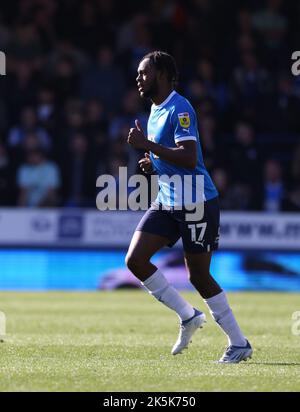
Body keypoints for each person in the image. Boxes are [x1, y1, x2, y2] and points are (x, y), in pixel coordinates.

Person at [126, 50, 252, 363]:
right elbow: (172, 159)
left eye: (144, 73)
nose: (139, 78)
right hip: (169, 199)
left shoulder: (180, 107)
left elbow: (189, 157)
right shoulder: (155, 109)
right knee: (135, 260)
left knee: (199, 276)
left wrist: (149, 147)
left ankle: (239, 343)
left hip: (196, 200)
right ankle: (187, 315)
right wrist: (153, 162)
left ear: (163, 74)